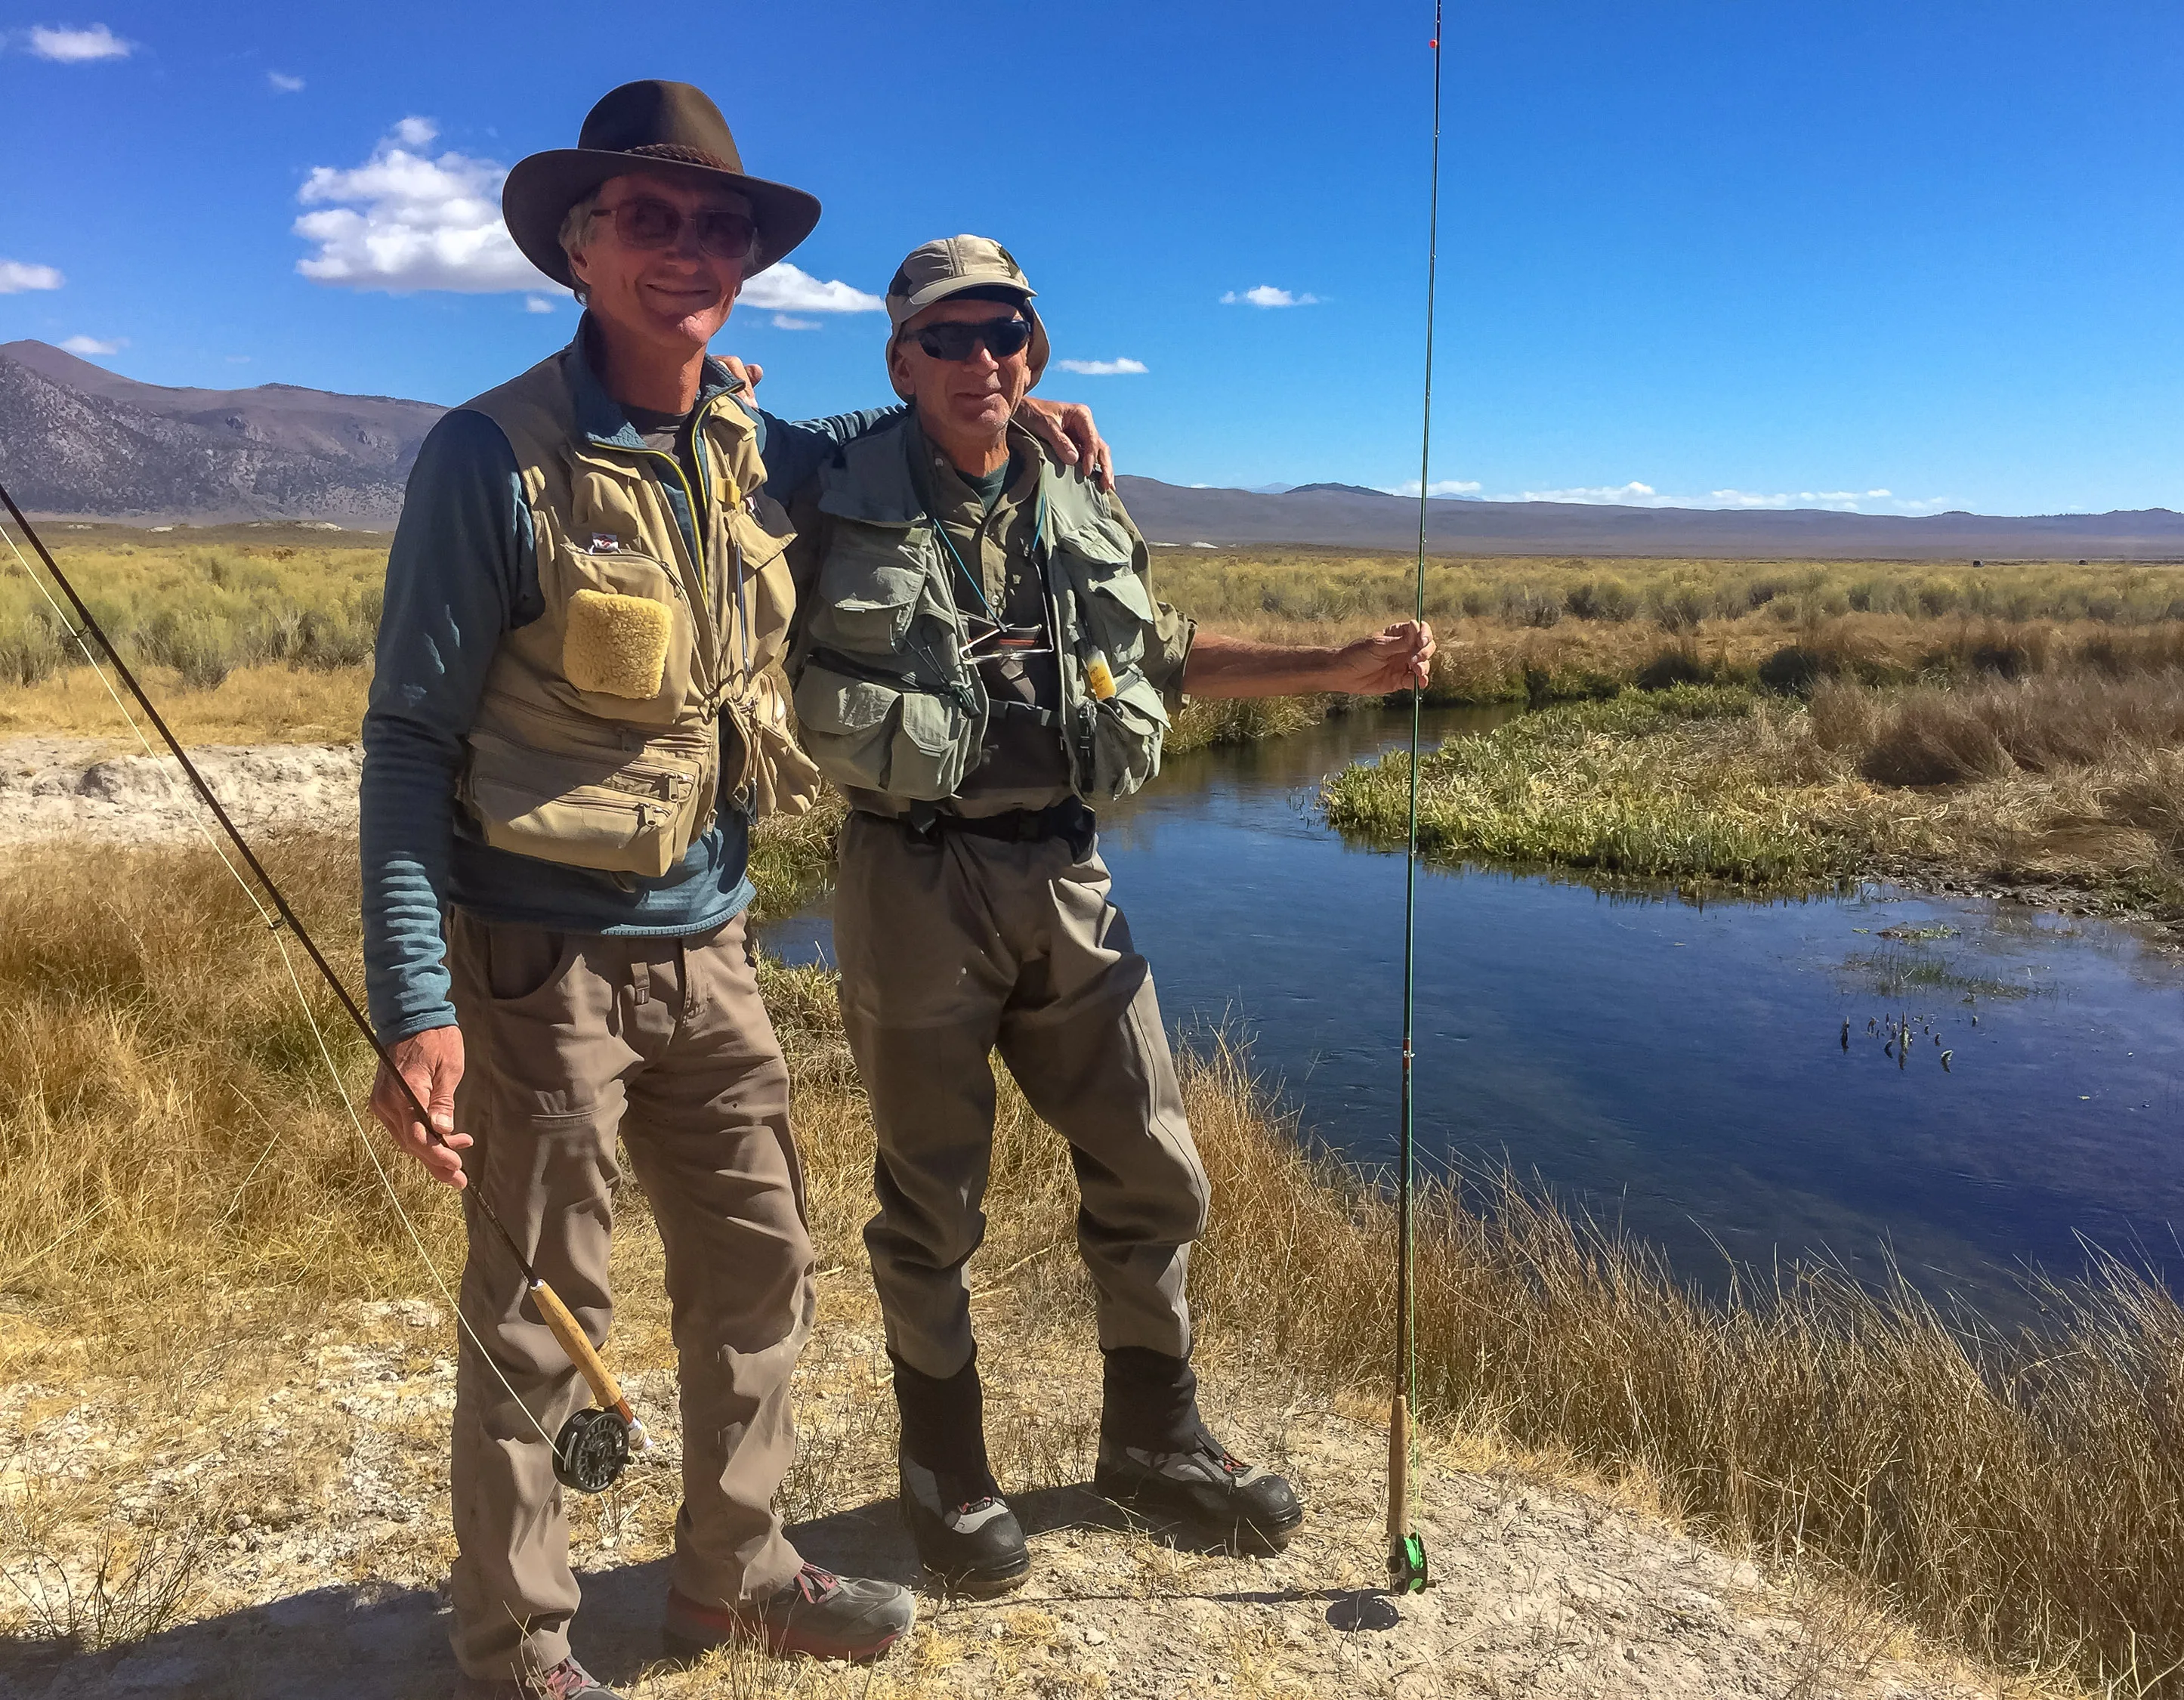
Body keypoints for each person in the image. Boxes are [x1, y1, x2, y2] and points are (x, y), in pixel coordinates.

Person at [360, 89, 1104, 1698]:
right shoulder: (489, 458)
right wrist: (415, 1004)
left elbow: (900, 438)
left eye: (717, 228)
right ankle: (520, 1647)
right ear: (579, 243)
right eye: (651, 218)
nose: (690, 251)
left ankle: (733, 1573)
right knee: (547, 1313)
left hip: (712, 947)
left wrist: (1015, 416)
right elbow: (409, 745)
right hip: (532, 957)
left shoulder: (756, 444)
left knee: (761, 1267)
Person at [784, 236, 1435, 1598]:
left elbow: (1168, 652)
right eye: (949, 339)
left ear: (1037, 350)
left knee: (1154, 1159)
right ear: (900, 359)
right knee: (930, 1198)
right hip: (914, 877)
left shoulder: (1077, 494)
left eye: (1006, 336)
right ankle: (944, 1467)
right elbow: (697, 424)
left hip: (1068, 874)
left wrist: (1343, 664)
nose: (984, 361)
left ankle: (1153, 1442)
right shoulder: (823, 486)